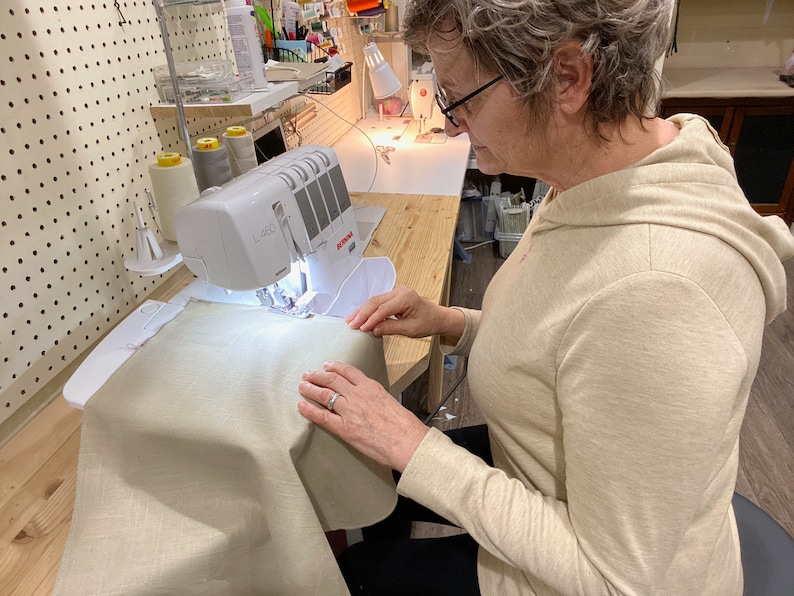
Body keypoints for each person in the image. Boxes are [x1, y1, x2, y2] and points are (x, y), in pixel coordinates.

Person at [298, 0, 794, 593]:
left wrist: (415, 447)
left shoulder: (660, 292)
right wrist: (455, 322)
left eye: (463, 98)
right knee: (368, 479)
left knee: (355, 570)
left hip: (599, 575)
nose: (453, 123)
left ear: (566, 77)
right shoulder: (602, 179)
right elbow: (569, 337)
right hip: (549, 472)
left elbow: (616, 579)